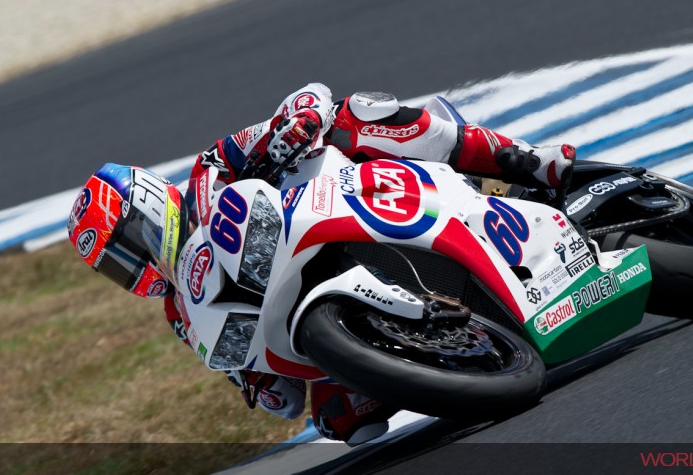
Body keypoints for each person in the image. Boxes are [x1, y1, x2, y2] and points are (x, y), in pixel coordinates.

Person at [67, 83, 575, 444]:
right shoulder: (181, 314)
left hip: (356, 196)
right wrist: (256, 382)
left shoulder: (210, 170)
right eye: (117, 267)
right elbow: (279, 398)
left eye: (126, 246)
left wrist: (299, 124)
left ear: (148, 205)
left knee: (357, 113)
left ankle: (522, 158)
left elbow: (308, 96)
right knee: (341, 421)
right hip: (304, 307)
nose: (133, 265)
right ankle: (455, 350)